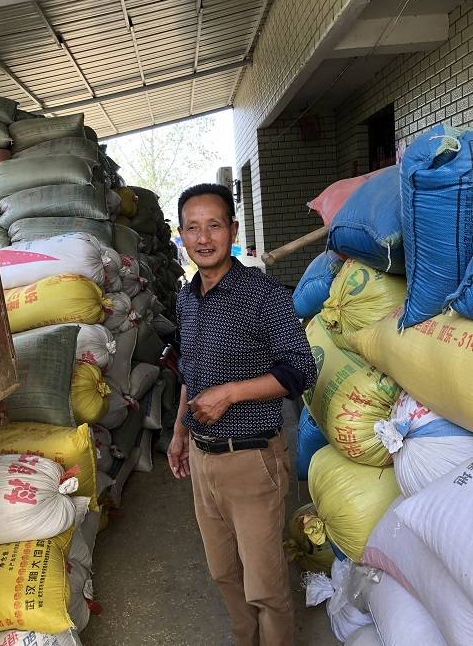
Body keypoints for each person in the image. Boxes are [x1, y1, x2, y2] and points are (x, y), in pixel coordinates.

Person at [167, 183, 317, 646]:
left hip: (252, 461)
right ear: (181, 235)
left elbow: (300, 370)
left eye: (214, 225)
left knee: (266, 588)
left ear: (233, 230)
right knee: (224, 574)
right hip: (203, 461)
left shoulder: (262, 294)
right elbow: (189, 371)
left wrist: (230, 394)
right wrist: (178, 434)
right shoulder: (186, 298)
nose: (204, 237)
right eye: (193, 228)